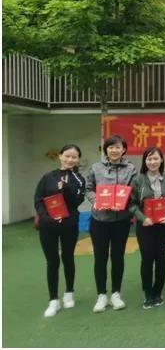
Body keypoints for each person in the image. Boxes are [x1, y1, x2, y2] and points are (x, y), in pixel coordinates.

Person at [86, 135, 137, 313]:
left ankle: (116, 293)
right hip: (99, 220)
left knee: (118, 257)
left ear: (124, 149)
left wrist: (124, 200)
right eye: (110, 147)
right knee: (100, 258)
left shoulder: (131, 168)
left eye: (118, 147)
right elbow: (88, 187)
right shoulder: (96, 167)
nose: (114, 150)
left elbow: (133, 189)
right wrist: (95, 201)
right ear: (105, 150)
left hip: (120, 220)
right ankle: (101, 295)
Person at [34, 144, 86, 317]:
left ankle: (69, 293)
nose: (70, 160)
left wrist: (65, 188)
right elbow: (38, 199)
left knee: (68, 257)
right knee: (52, 261)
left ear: (78, 159)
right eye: (67, 156)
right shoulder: (47, 177)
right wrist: (44, 217)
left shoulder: (79, 179)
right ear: (60, 156)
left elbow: (76, 201)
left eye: (74, 157)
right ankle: (53, 300)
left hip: (69, 225)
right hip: (47, 226)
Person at [129, 147, 165, 309]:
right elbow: (132, 203)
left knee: (161, 258)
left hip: (163, 225)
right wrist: (143, 218)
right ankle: (148, 293)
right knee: (147, 258)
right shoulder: (137, 180)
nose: (152, 162)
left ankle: (158, 291)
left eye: (156, 159)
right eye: (149, 159)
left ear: (161, 160)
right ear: (145, 161)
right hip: (145, 226)